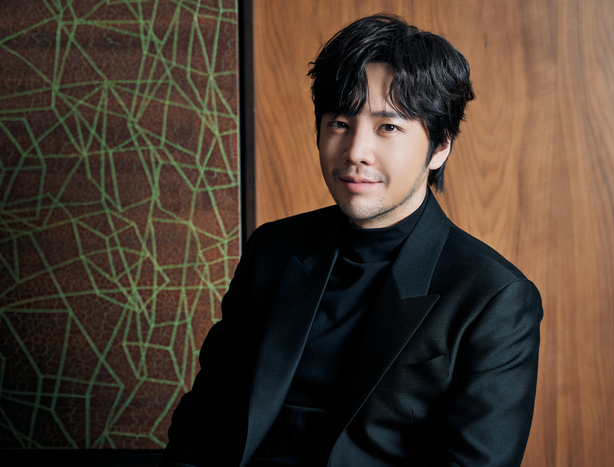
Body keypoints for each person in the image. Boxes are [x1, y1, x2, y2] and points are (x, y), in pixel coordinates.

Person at [161, 13, 542, 467]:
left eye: (388, 127)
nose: (355, 151)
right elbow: (203, 424)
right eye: (340, 123)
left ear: (440, 146)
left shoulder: (494, 296)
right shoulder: (273, 249)